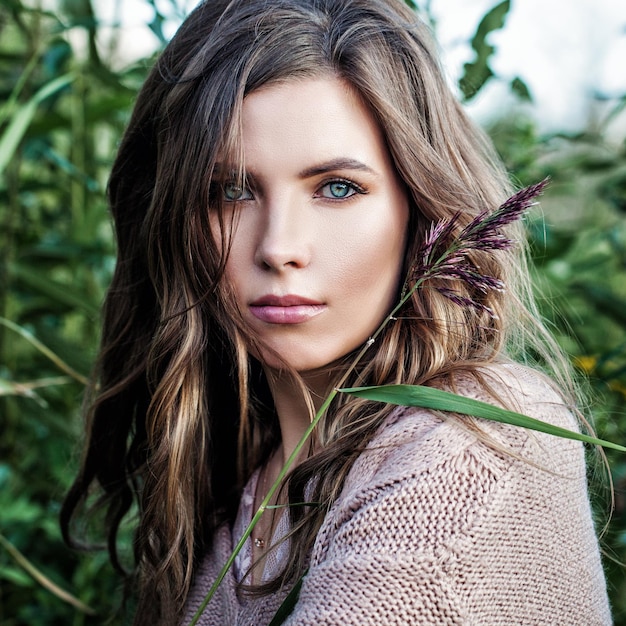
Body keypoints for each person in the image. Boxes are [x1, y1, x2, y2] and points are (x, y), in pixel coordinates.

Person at [61, 0, 612, 624]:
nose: (279, 248)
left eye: (338, 188)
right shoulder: (233, 495)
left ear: (420, 207)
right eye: (230, 192)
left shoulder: (476, 439)